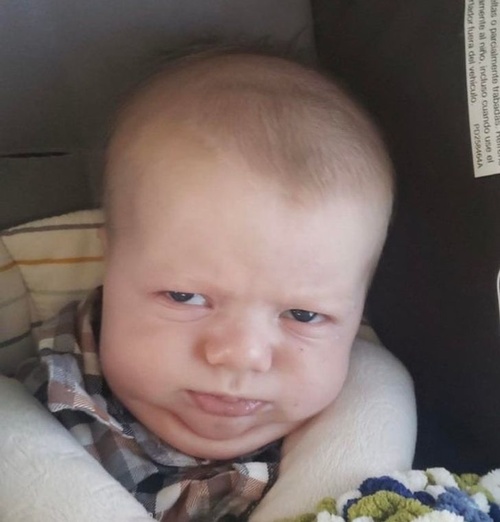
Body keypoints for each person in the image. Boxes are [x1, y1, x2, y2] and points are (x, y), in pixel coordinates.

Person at [19, 49, 396, 521]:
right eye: (185, 297)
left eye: (303, 315)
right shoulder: (45, 400)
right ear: (109, 262)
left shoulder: (354, 416)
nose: (242, 354)